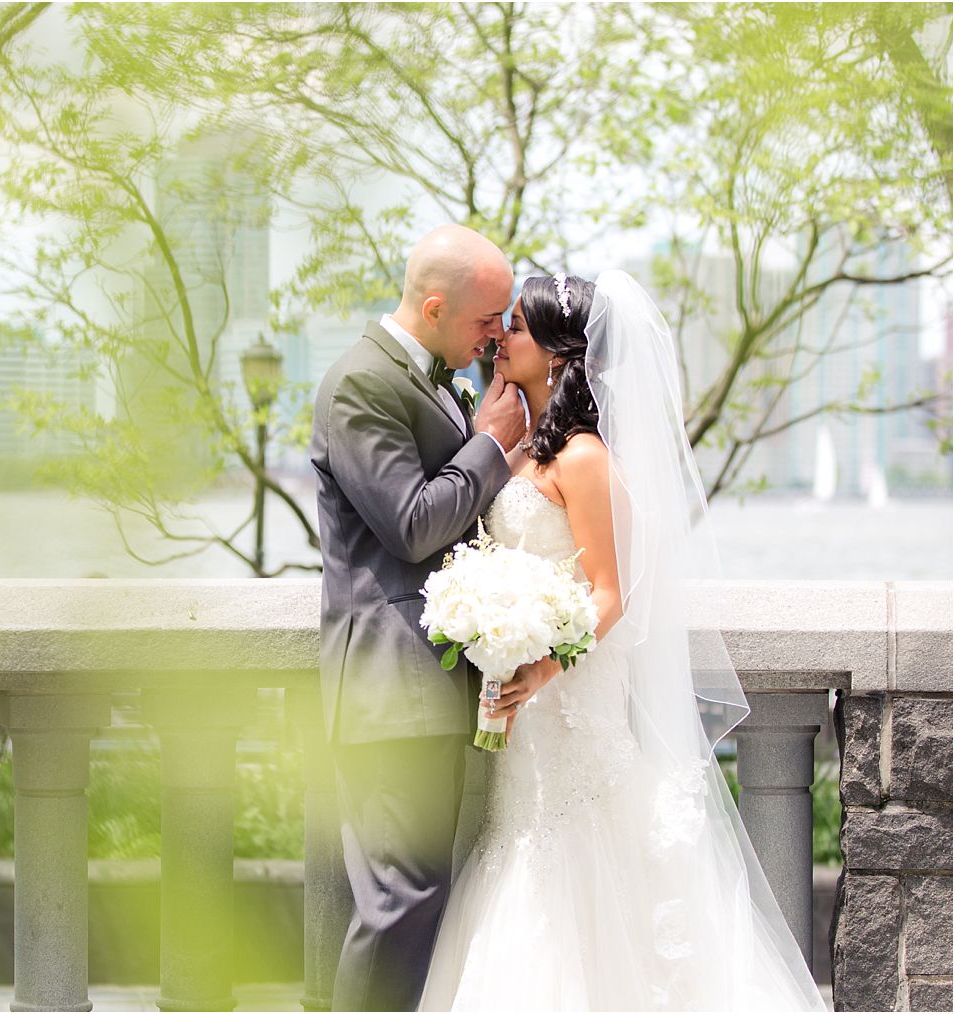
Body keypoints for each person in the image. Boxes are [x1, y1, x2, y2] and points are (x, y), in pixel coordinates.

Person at [417, 270, 826, 1011]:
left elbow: (609, 593)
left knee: (588, 866)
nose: (500, 337)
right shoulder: (516, 451)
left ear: (560, 353)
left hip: (570, 700)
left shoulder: (583, 457)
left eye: (516, 326)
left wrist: (543, 666)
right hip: (523, 710)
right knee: (522, 851)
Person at [309, 223, 528, 1012]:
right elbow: (410, 523)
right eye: (486, 320)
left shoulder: (436, 377)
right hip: (388, 685)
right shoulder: (361, 385)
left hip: (425, 683)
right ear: (434, 307)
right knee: (399, 900)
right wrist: (491, 445)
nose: (498, 337)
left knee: (418, 896)